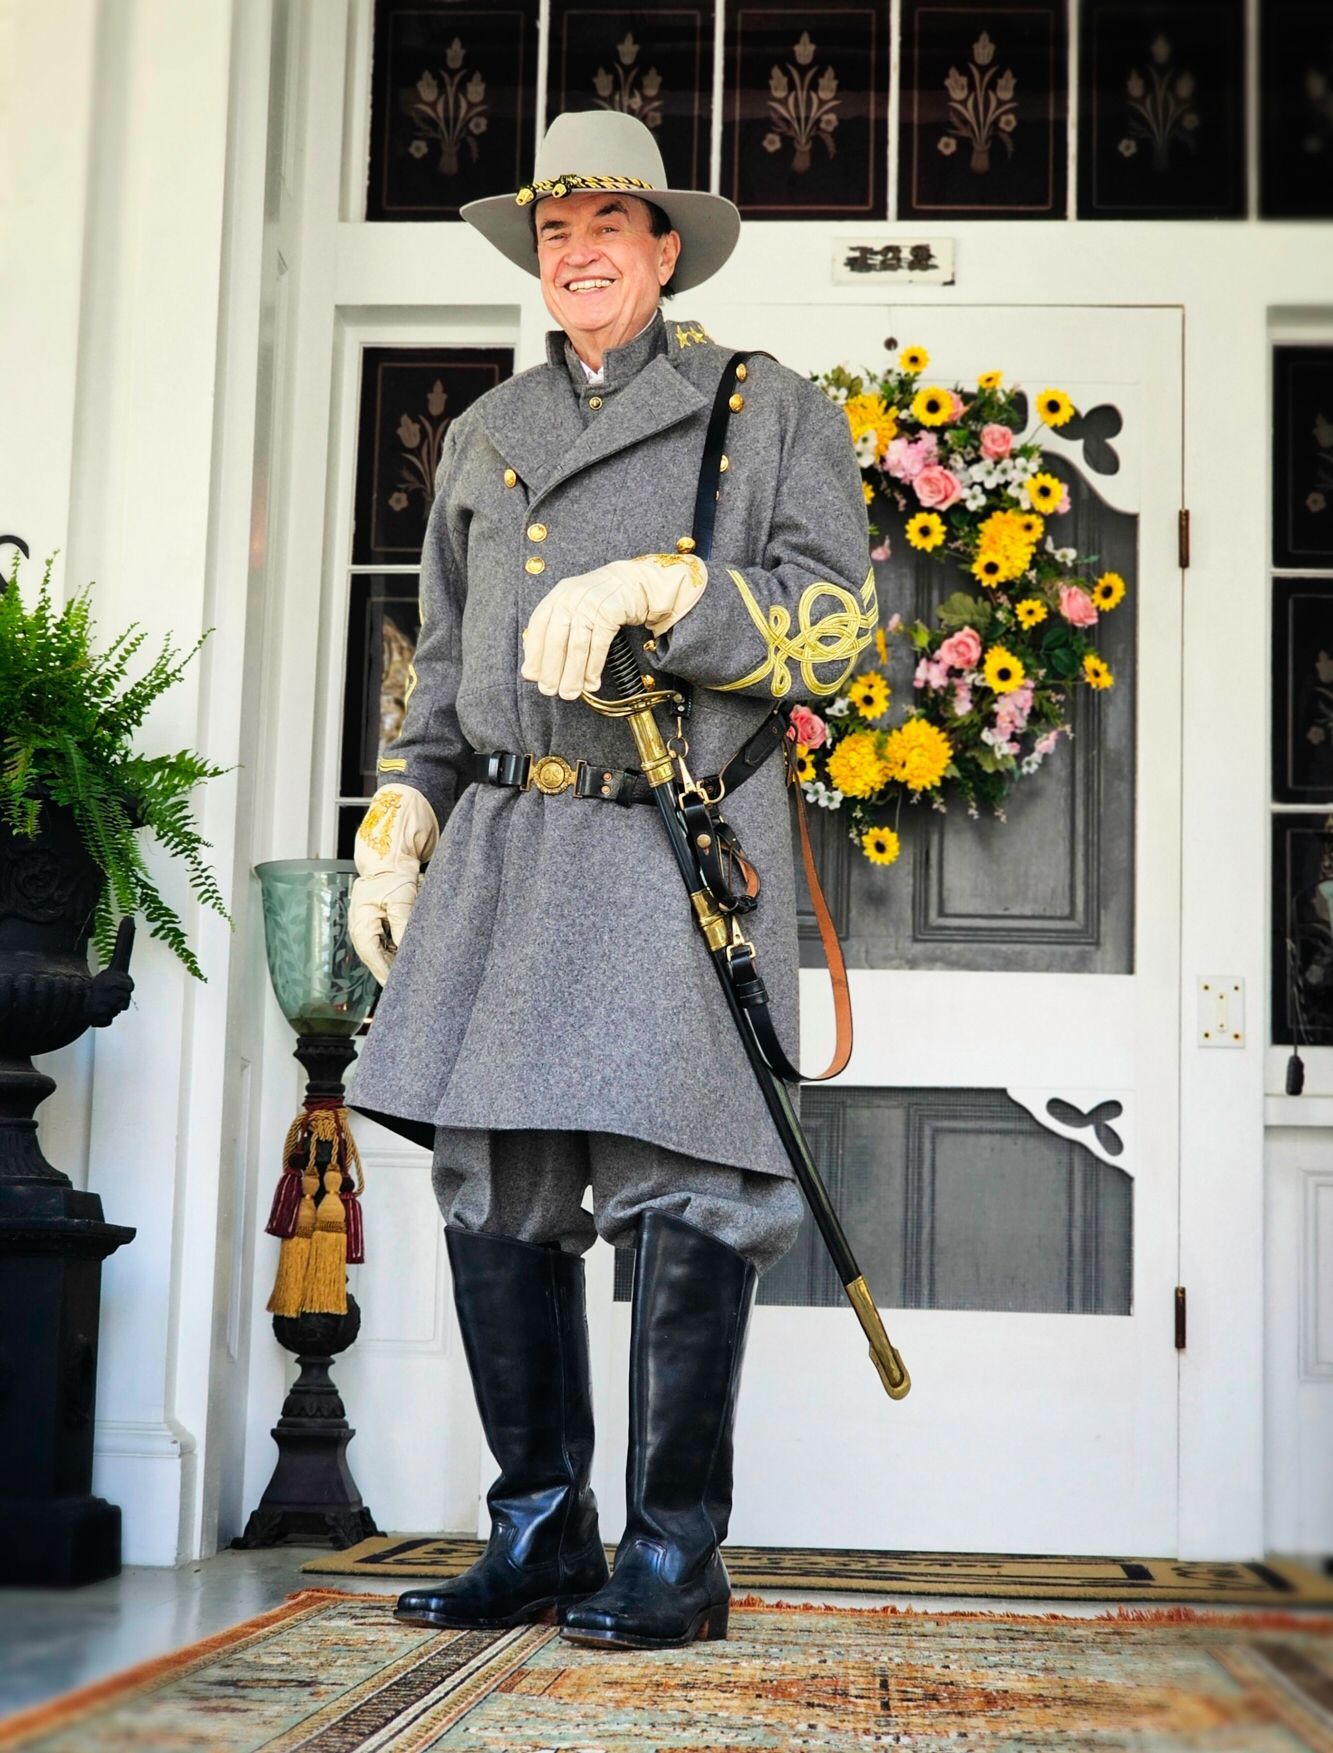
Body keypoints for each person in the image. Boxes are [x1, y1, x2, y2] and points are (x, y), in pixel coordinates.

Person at [347, 109, 875, 1651]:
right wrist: (399, 812)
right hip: (507, 852)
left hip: (674, 841)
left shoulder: (766, 410)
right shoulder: (483, 432)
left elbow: (842, 628)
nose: (574, 252)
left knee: (686, 1189)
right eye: (551, 232)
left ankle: (672, 1552)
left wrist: (679, 588)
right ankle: (538, 1527)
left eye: (605, 226)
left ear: (663, 248)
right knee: (493, 1191)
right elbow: (440, 671)